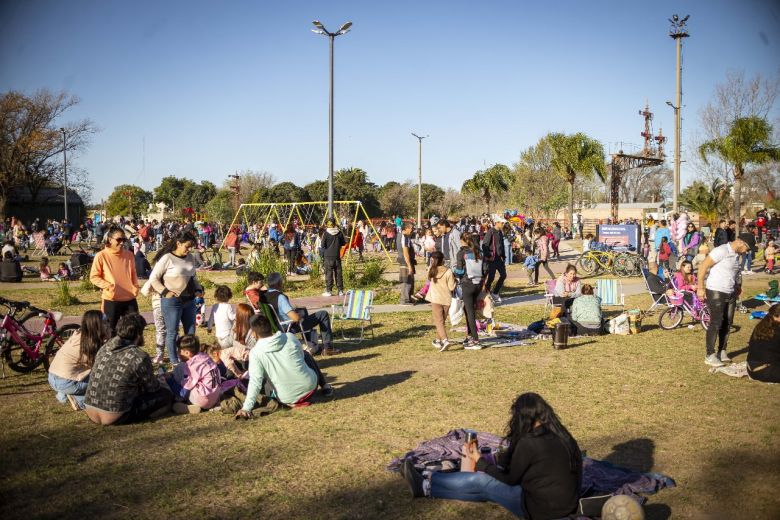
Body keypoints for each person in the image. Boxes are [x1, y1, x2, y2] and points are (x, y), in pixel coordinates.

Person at [400, 392, 582, 520]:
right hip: (567, 503)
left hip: (540, 510)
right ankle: (425, 487)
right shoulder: (561, 433)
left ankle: (429, 478)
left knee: (484, 482)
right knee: (485, 491)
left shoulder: (530, 442)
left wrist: (481, 463)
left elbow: (510, 479)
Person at [235, 314, 333, 418]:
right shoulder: (289, 337)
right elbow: (301, 358)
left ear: (254, 333)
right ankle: (325, 386)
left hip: (286, 398)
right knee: (306, 355)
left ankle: (289, 396)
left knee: (260, 379)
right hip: (311, 387)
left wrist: (246, 408)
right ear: (270, 326)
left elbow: (255, 382)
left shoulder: (256, 352)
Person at [84, 313, 173, 425]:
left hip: (90, 410)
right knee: (166, 394)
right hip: (117, 416)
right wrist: (161, 381)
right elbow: (153, 388)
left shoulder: (104, 347)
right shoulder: (139, 356)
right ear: (138, 334)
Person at [149, 231, 203, 365]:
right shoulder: (167, 258)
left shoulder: (190, 257)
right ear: (178, 243)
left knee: (191, 333)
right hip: (172, 302)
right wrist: (165, 292)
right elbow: (153, 279)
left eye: (191, 247)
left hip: (189, 301)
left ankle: (192, 359)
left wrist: (198, 289)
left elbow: (193, 277)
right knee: (172, 332)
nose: (189, 249)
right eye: (187, 246)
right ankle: (175, 362)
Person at [696, 237, 749, 367]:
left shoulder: (736, 255)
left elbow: (733, 273)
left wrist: (737, 286)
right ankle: (710, 355)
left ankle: (721, 351)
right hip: (716, 291)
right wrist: (700, 287)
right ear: (740, 242)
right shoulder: (721, 250)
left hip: (730, 292)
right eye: (746, 248)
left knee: (728, 322)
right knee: (716, 322)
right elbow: (703, 266)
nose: (746, 252)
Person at [262, 272, 341, 356]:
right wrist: (299, 315)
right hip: (289, 326)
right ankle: (327, 347)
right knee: (323, 314)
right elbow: (295, 318)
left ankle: (310, 342)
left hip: (276, 326)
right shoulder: (280, 297)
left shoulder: (264, 296)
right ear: (279, 283)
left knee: (302, 310)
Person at [48, 310, 107, 410]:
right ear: (98, 326)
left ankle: (65, 393)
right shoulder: (90, 344)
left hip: (53, 376)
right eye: (106, 322)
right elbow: (100, 366)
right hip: (66, 382)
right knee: (105, 380)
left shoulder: (79, 334)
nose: (108, 325)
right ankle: (79, 401)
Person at [89, 226, 139, 334]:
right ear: (110, 239)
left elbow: (133, 273)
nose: (121, 243)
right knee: (111, 332)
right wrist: (108, 286)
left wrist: (135, 286)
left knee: (133, 331)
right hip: (111, 300)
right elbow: (94, 277)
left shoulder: (129, 255)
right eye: (119, 239)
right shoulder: (101, 256)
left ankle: (128, 351)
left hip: (129, 298)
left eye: (124, 240)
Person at [166, 335, 223, 414]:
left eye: (179, 350)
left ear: (187, 353)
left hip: (203, 399)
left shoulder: (191, 366)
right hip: (215, 397)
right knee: (182, 368)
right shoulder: (205, 356)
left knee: (179, 368)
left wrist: (169, 380)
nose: (178, 353)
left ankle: (186, 404)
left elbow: (183, 393)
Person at [453, 233, 484, 350]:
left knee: (470, 312)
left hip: (467, 284)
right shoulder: (479, 252)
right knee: (468, 309)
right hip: (478, 284)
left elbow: (460, 271)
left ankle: (475, 340)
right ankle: (470, 335)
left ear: (463, 241)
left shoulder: (461, 253)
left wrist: (454, 271)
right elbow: (485, 269)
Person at [426, 252, 457, 352]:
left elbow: (428, 281)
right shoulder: (448, 271)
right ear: (443, 259)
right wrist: (455, 281)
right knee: (441, 322)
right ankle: (438, 340)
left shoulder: (431, 270)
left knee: (438, 322)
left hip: (435, 299)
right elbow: (451, 287)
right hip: (446, 299)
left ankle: (445, 340)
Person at [746, 304, 780, 383]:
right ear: (777, 316)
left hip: (751, 369)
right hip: (766, 371)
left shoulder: (760, 326)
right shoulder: (777, 331)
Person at [481, 218, 507, 302]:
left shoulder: (500, 232)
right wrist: (488, 255)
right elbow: (484, 245)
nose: (503, 224)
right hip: (492, 260)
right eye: (502, 223)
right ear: (497, 223)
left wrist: (503, 256)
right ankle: (485, 295)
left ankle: (495, 293)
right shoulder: (490, 232)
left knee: (503, 275)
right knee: (491, 278)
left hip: (499, 259)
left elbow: (501, 245)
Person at [320, 218, 346, 297]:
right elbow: (343, 243)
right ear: (334, 224)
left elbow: (322, 245)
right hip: (337, 256)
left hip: (328, 256)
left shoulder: (326, 233)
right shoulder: (339, 233)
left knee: (329, 274)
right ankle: (340, 290)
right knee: (338, 274)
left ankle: (329, 291)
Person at [397, 222, 417, 305]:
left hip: (404, 261)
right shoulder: (405, 238)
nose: (412, 230)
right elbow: (406, 252)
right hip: (406, 262)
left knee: (409, 280)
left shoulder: (399, 235)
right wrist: (409, 266)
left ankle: (408, 298)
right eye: (411, 228)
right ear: (406, 228)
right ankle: (404, 300)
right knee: (407, 280)